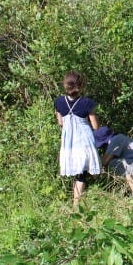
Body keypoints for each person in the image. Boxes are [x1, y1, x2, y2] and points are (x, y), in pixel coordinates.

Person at [54, 71, 101, 207]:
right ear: (81, 86)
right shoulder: (87, 103)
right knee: (82, 172)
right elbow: (95, 126)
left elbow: (60, 122)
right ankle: (76, 203)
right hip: (83, 140)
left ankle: (76, 201)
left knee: (77, 170)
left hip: (69, 141)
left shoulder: (59, 102)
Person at [93, 126, 133, 197]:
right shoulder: (119, 137)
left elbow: (104, 161)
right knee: (118, 164)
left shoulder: (115, 140)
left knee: (113, 163)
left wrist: (89, 162)